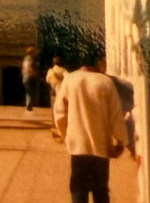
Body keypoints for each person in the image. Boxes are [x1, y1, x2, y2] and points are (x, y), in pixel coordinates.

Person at [54, 50, 127, 203]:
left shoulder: (70, 80)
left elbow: (60, 113)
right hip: (100, 148)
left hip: (77, 147)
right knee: (101, 191)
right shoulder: (106, 82)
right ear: (97, 62)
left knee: (78, 190)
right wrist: (120, 142)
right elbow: (116, 115)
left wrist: (65, 135)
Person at [46, 56, 67, 137]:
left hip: (53, 92)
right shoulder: (64, 70)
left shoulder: (50, 71)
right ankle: (61, 128)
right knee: (62, 110)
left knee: (54, 109)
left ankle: (54, 125)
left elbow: (47, 80)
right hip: (62, 92)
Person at [22, 47, 38, 112]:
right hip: (30, 76)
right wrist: (34, 75)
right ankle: (29, 105)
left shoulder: (25, 60)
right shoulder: (32, 59)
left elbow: (23, 69)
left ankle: (28, 104)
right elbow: (32, 68)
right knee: (31, 92)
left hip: (25, 76)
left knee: (28, 91)